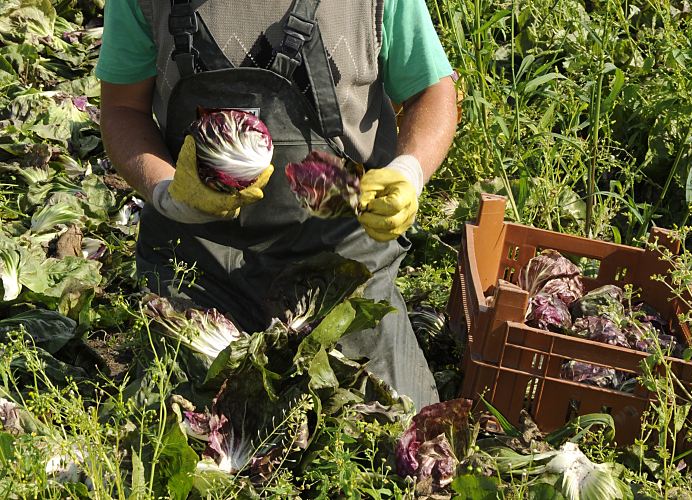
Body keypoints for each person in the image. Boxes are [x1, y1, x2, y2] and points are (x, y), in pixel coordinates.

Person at [96, 0, 458, 410]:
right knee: (186, 433)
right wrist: (166, 192)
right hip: (196, 262)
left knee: (389, 427)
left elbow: (433, 91)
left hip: (340, 266)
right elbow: (124, 108)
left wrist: (409, 171)